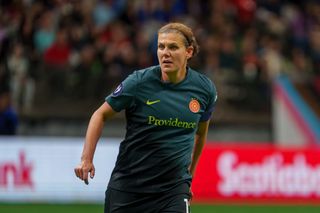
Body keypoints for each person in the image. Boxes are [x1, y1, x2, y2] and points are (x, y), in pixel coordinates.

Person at [74, 22, 217, 213]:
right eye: (161, 46)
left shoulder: (205, 89)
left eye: (173, 47)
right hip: (128, 189)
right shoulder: (138, 82)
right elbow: (100, 115)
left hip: (172, 191)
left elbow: (200, 134)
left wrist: (189, 177)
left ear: (188, 52)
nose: (165, 52)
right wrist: (86, 159)